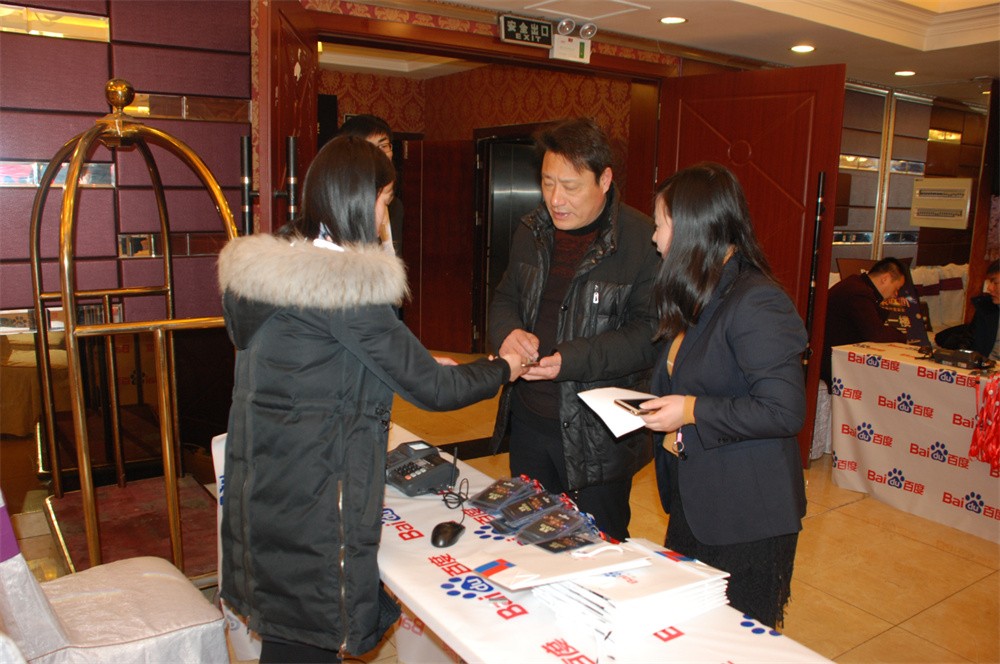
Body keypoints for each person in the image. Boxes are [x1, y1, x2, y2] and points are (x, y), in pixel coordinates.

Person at [217, 136, 525, 663]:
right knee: (306, 645)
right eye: (385, 201)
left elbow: (321, 362)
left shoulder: (278, 274)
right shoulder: (344, 287)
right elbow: (434, 390)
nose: (387, 218)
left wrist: (413, 362)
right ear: (359, 202)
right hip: (316, 501)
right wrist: (503, 368)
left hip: (272, 490)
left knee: (288, 638)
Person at [637, 162, 807, 629]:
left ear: (691, 229)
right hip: (698, 498)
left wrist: (691, 410)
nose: (654, 238)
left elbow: (783, 410)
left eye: (660, 225)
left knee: (733, 638)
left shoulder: (756, 300)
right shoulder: (703, 291)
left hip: (746, 513)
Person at [488, 117, 661, 542]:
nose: (555, 199)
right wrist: (508, 331)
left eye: (570, 186)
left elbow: (649, 335)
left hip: (596, 436)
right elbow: (505, 297)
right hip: (529, 420)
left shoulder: (642, 241)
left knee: (596, 547)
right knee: (528, 541)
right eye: (547, 183)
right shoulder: (532, 230)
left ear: (605, 180)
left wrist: (570, 359)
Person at [821, 257, 908, 387]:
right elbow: (876, 334)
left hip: (836, 356)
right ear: (885, 278)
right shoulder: (858, 292)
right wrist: (903, 337)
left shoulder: (857, 284)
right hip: (832, 363)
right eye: (896, 288)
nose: (895, 294)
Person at [337, 114, 403, 258]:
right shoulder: (338, 209)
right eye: (369, 148)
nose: (379, 155)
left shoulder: (395, 207)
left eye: (383, 146)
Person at [935, 260, 1000, 361]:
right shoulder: (987, 309)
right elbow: (968, 340)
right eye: (989, 282)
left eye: (995, 283)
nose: (989, 288)